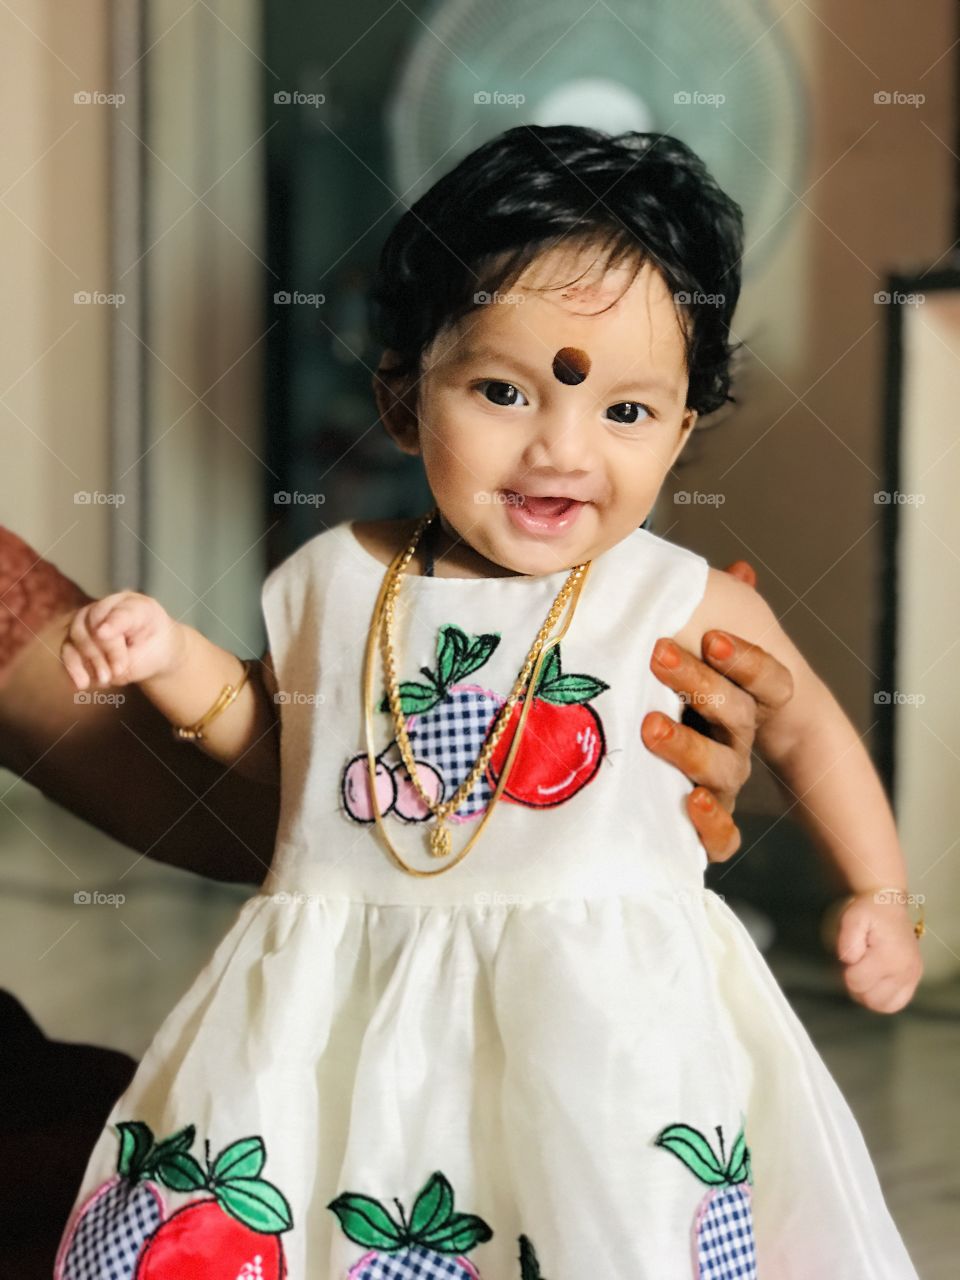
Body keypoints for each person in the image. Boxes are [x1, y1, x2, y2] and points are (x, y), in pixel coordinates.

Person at [50, 126, 922, 1278]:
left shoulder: (677, 597)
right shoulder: (334, 576)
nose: (560, 447)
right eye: (503, 391)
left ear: (682, 432)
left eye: (625, 412)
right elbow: (281, 745)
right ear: (405, 400)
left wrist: (881, 886)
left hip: (604, 1035)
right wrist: (165, 655)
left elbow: (806, 725)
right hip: (342, 1018)